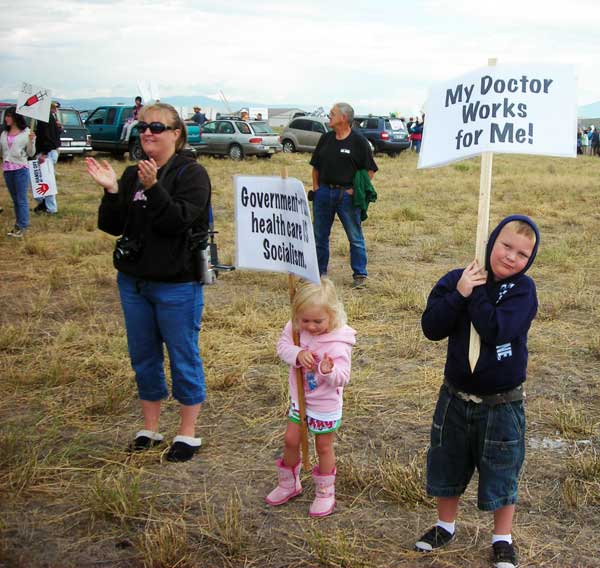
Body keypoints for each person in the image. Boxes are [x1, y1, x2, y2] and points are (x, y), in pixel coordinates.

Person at [85, 103, 212, 463]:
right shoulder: (131, 174)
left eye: (157, 126)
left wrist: (154, 187)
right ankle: (150, 427)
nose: (147, 133)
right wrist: (111, 191)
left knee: (183, 354)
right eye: (142, 127)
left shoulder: (192, 175)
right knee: (143, 356)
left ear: (177, 133)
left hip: (176, 284)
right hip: (134, 282)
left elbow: (178, 222)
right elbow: (113, 226)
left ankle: (187, 433)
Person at [415, 215, 540, 568]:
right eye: (506, 246)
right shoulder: (459, 279)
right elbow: (431, 327)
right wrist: (459, 294)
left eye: (522, 253)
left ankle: (502, 538)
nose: (512, 257)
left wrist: (478, 296)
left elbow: (496, 329)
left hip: (502, 403)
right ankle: (445, 525)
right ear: (490, 242)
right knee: (447, 462)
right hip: (456, 396)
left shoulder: (523, 292)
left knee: (502, 470)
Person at [266, 278, 356, 517]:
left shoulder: (339, 342)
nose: (312, 326)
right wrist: (297, 353)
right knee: (290, 439)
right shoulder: (295, 330)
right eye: (305, 320)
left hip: (325, 405)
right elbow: (282, 347)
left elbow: (343, 377)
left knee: (323, 446)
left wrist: (326, 371)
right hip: (300, 399)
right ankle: (289, 483)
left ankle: (325, 492)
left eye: (318, 321)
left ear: (332, 315)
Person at [310, 102, 377, 288]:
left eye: (332, 114)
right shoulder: (326, 139)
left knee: (355, 237)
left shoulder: (359, 142)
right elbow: (315, 166)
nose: (329, 117)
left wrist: (355, 190)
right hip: (323, 193)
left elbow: (370, 170)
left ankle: (360, 274)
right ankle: (319, 273)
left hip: (347, 196)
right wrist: (316, 187)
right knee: (319, 236)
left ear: (344, 118)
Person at [1, 107, 36, 237]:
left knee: (21, 199)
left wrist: (32, 141)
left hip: (21, 169)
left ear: (16, 117)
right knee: (15, 199)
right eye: (6, 116)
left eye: (9, 116)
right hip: (7, 170)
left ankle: (23, 226)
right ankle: (18, 224)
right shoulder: (4, 133)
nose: (6, 119)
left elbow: (31, 153)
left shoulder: (27, 133)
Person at [33, 102, 61, 215]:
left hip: (47, 152)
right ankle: (44, 204)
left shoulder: (44, 118)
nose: (56, 110)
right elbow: (54, 134)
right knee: (41, 180)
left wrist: (44, 153)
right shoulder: (49, 117)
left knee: (46, 180)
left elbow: (47, 136)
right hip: (50, 151)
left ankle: (50, 207)